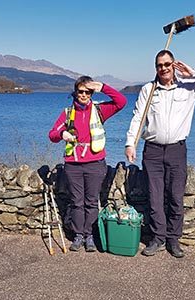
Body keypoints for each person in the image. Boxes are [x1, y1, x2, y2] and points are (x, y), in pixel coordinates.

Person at [125, 50, 195, 258]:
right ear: (156, 68)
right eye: (159, 65)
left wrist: (193, 73)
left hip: (177, 150)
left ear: (174, 64)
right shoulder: (148, 90)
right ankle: (158, 238)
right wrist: (130, 143)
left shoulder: (189, 88)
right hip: (152, 150)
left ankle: (173, 239)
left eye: (167, 64)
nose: (164, 68)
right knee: (155, 197)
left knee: (176, 197)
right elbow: (137, 117)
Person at [49, 76, 127, 252]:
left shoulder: (100, 111)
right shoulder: (68, 113)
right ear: (75, 92)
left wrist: (102, 87)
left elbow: (121, 102)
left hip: (95, 164)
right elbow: (52, 134)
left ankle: (89, 235)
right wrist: (62, 134)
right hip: (73, 165)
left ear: (91, 93)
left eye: (87, 92)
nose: (83, 95)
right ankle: (78, 236)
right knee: (77, 202)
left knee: (91, 202)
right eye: (80, 91)